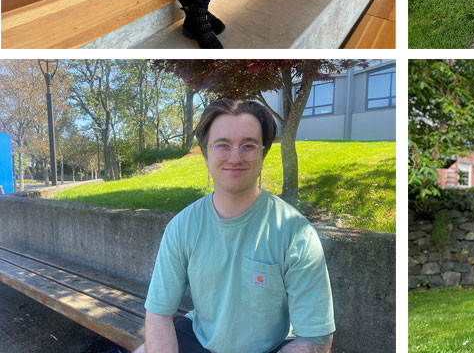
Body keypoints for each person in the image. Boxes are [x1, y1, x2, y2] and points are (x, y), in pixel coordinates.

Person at [133, 99, 335, 353]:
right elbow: (159, 314)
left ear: (262, 154)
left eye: (249, 145)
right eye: (222, 145)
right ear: (206, 155)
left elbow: (316, 338)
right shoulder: (181, 227)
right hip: (199, 338)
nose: (235, 156)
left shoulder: (296, 233)